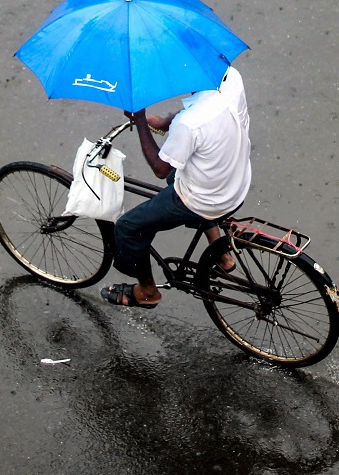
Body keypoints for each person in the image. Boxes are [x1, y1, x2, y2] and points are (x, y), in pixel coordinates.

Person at [100, 66, 251, 309]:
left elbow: (160, 169)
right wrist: (165, 122)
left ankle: (147, 293)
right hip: (235, 179)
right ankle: (220, 253)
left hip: (205, 198)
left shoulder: (189, 124)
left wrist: (140, 120)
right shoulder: (232, 77)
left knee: (128, 227)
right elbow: (202, 109)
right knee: (181, 172)